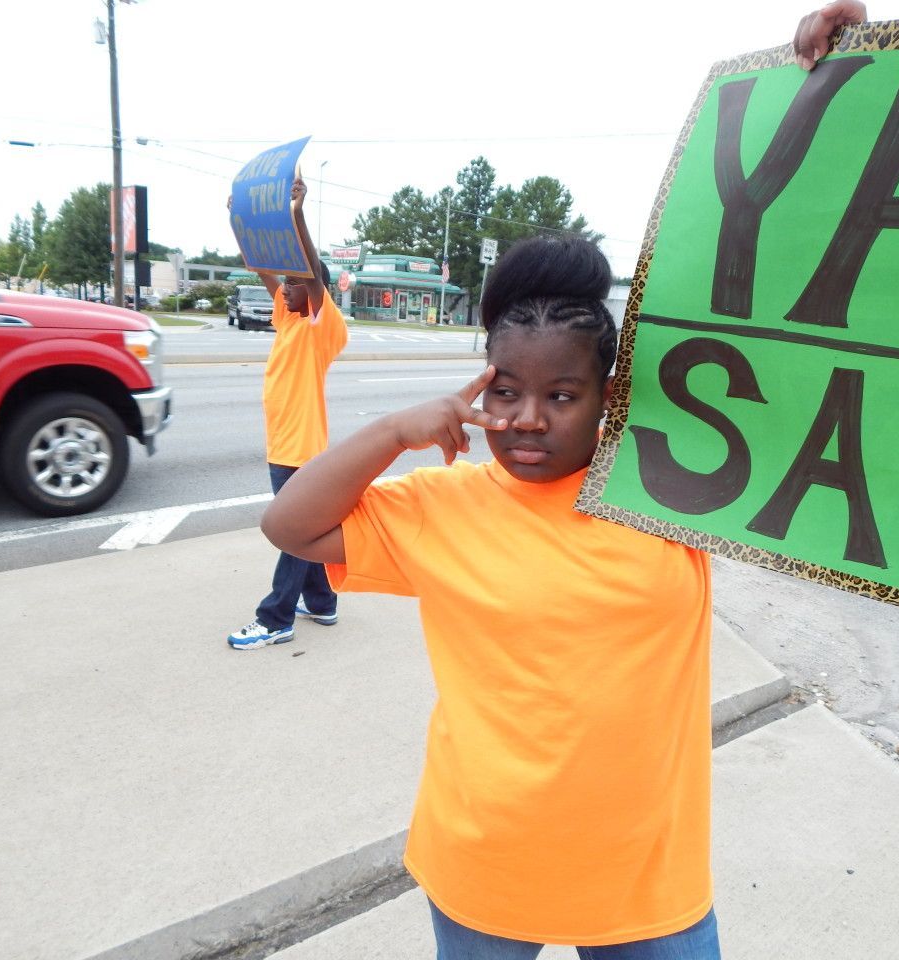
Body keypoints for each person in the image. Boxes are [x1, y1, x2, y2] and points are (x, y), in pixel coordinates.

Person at [261, 6, 865, 954]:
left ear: (610, 396)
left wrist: (835, 85)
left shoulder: (678, 487)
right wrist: (389, 431)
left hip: (648, 883)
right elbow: (289, 527)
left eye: (565, 393)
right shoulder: (441, 505)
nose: (530, 418)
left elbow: (813, 308)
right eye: (507, 390)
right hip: (482, 868)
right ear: (480, 385)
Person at [228, 174, 349, 651]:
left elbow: (313, 273)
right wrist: (239, 219)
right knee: (306, 528)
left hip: (300, 450)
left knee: (294, 534)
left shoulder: (323, 328)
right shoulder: (288, 319)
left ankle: (275, 617)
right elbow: (261, 266)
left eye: (294, 285)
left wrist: (297, 215)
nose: (285, 290)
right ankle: (321, 602)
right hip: (284, 445)